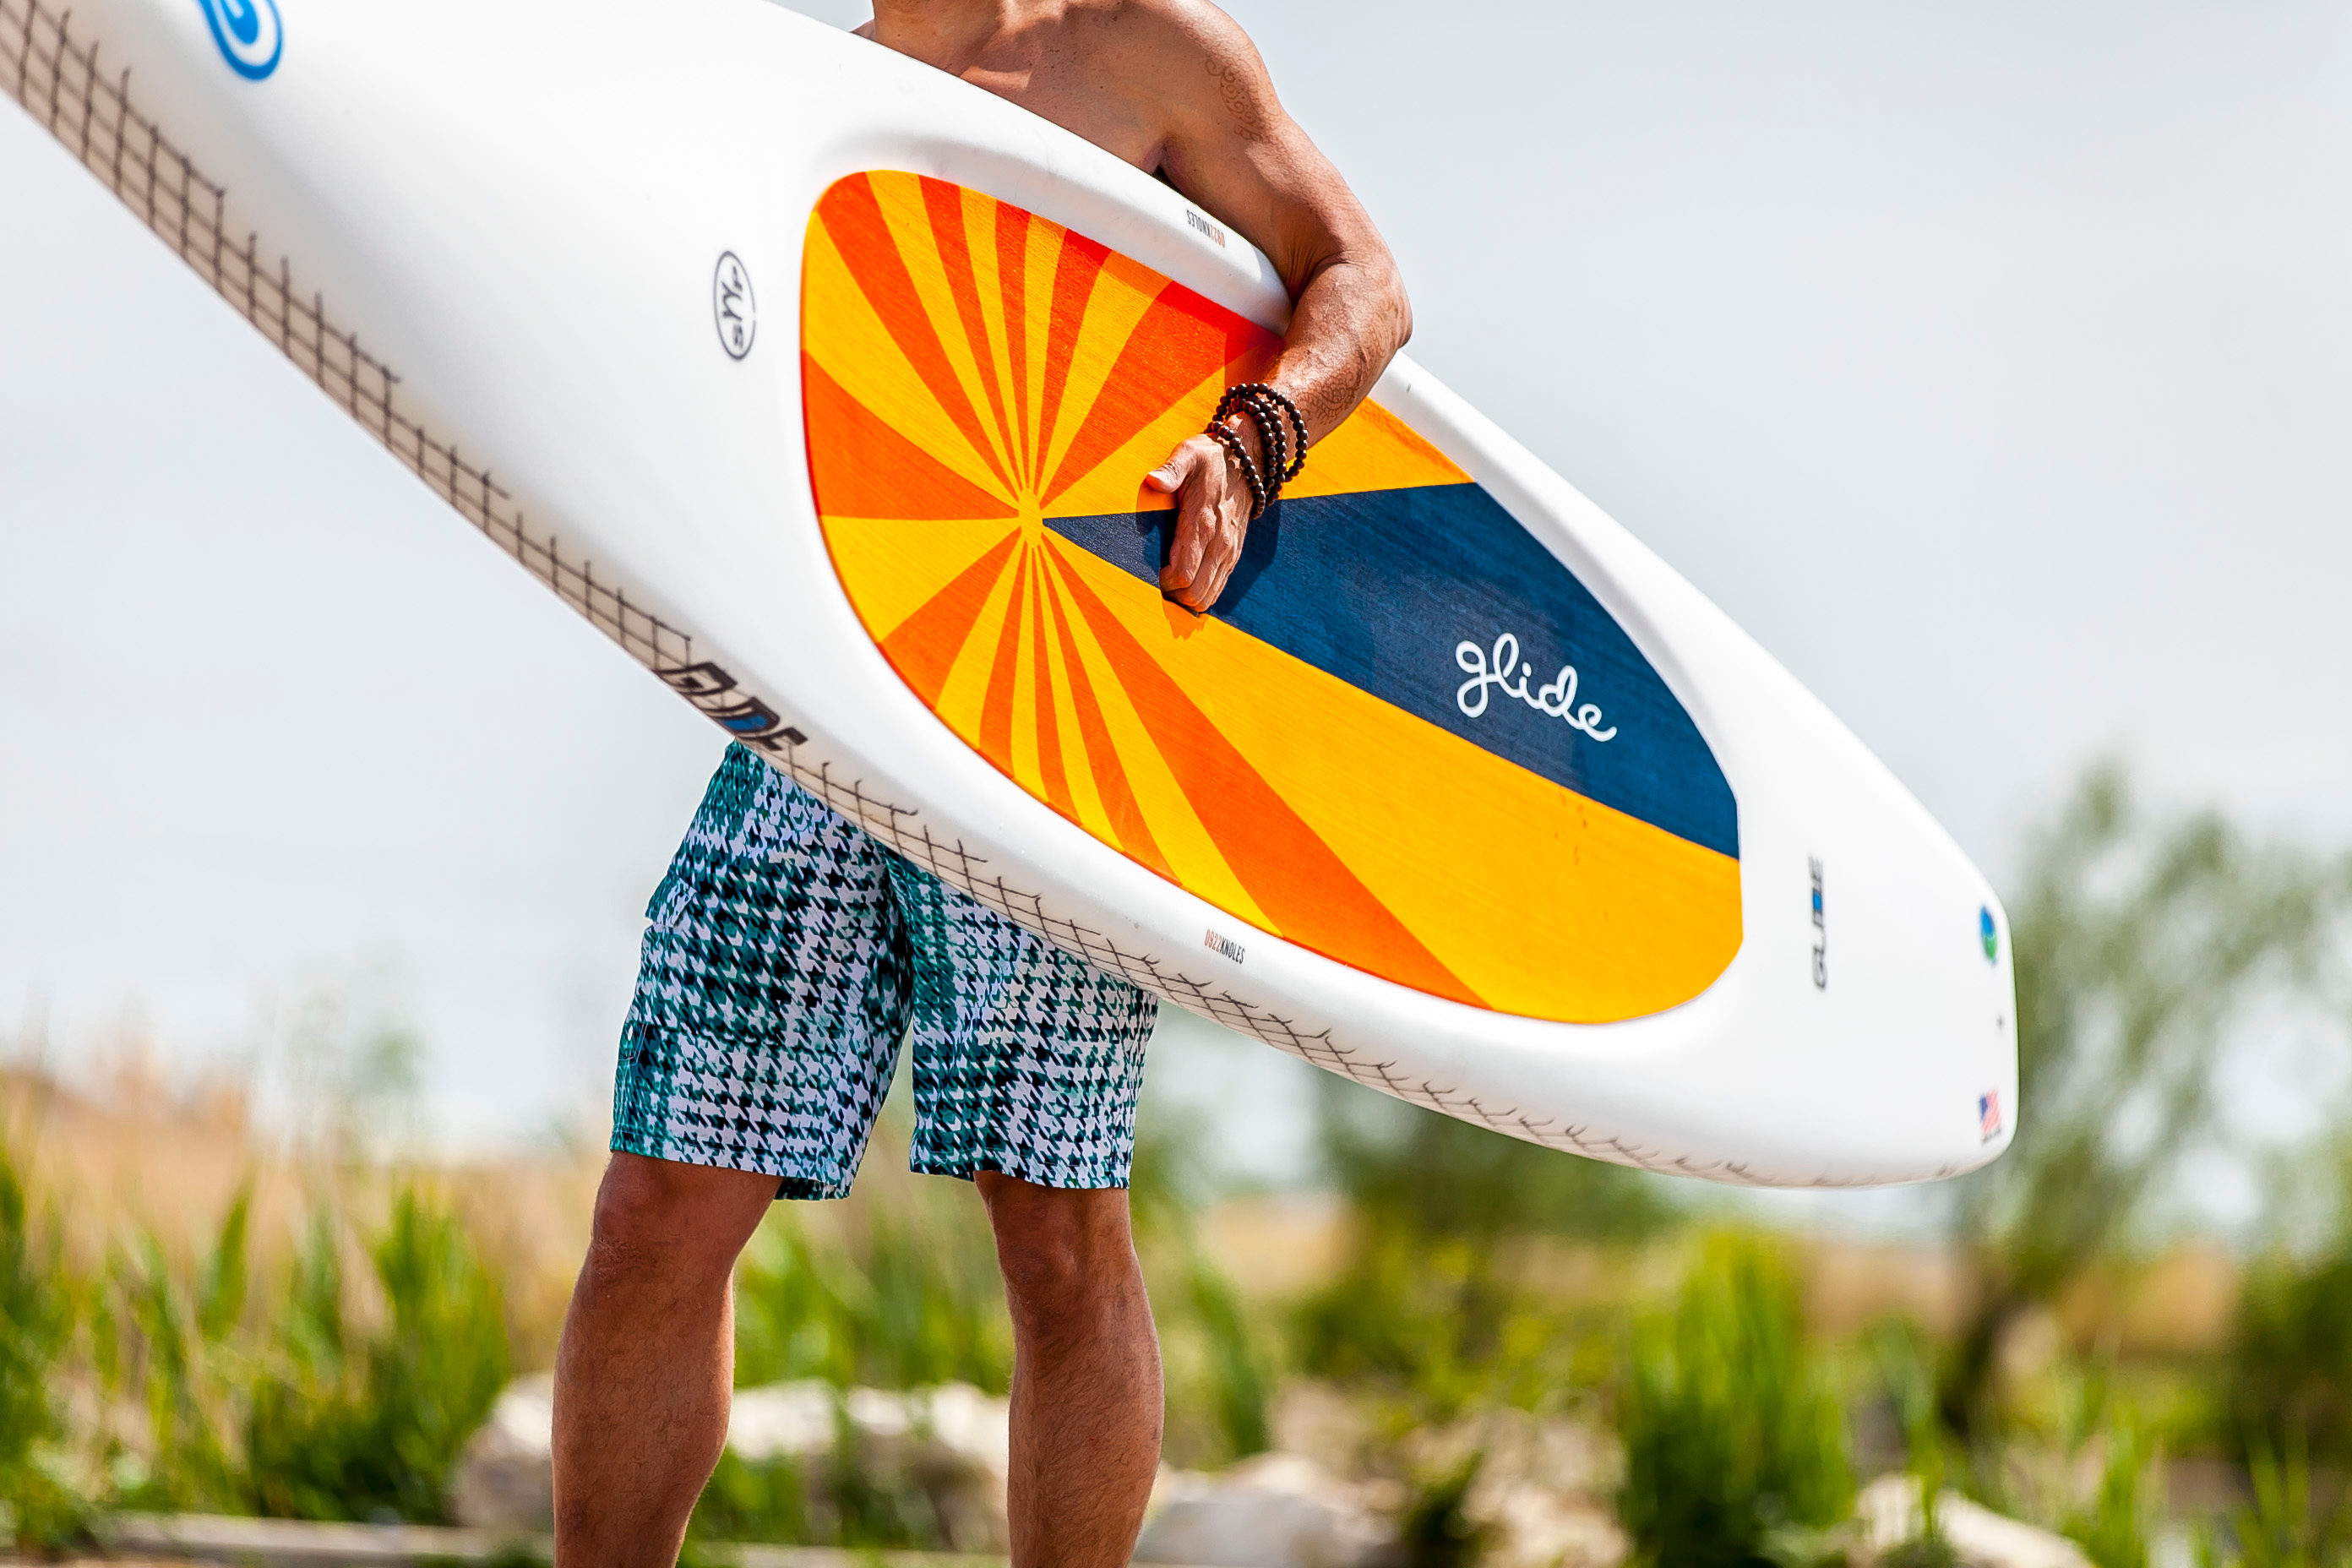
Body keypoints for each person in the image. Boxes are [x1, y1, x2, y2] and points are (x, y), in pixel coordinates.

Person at [549, 3, 1410, 1564]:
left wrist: (1256, 436)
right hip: (820, 713)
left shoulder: (1149, 52)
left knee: (1056, 1236)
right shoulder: (794, 79)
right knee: (656, 1207)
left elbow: (1368, 284)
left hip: (1038, 717)